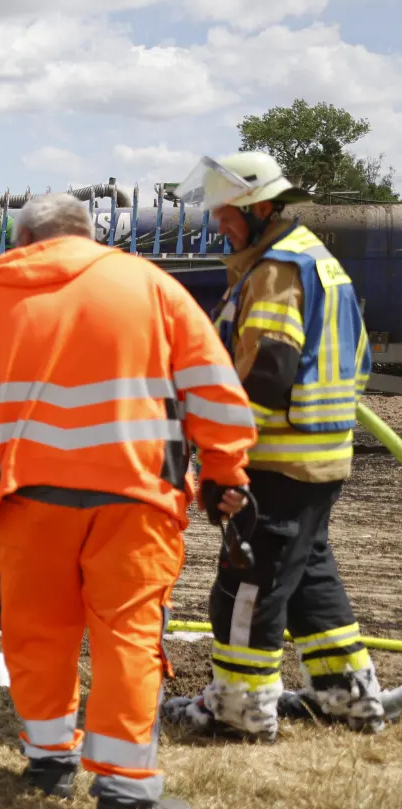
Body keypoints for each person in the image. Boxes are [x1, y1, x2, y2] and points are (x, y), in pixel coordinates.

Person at [0, 193, 256, 809]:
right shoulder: (149, 285)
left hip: (28, 501)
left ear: (27, 238)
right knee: (128, 639)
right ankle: (125, 798)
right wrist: (225, 472)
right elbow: (215, 389)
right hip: (135, 500)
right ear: (88, 234)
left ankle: (48, 763)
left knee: (36, 633)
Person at [162, 152, 390, 739]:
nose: (219, 225)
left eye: (227, 213)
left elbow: (267, 372)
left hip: (277, 458)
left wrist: (223, 458)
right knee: (312, 580)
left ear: (260, 206)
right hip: (318, 456)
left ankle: (239, 709)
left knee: (246, 588)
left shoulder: (276, 269)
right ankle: (347, 696)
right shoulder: (315, 260)